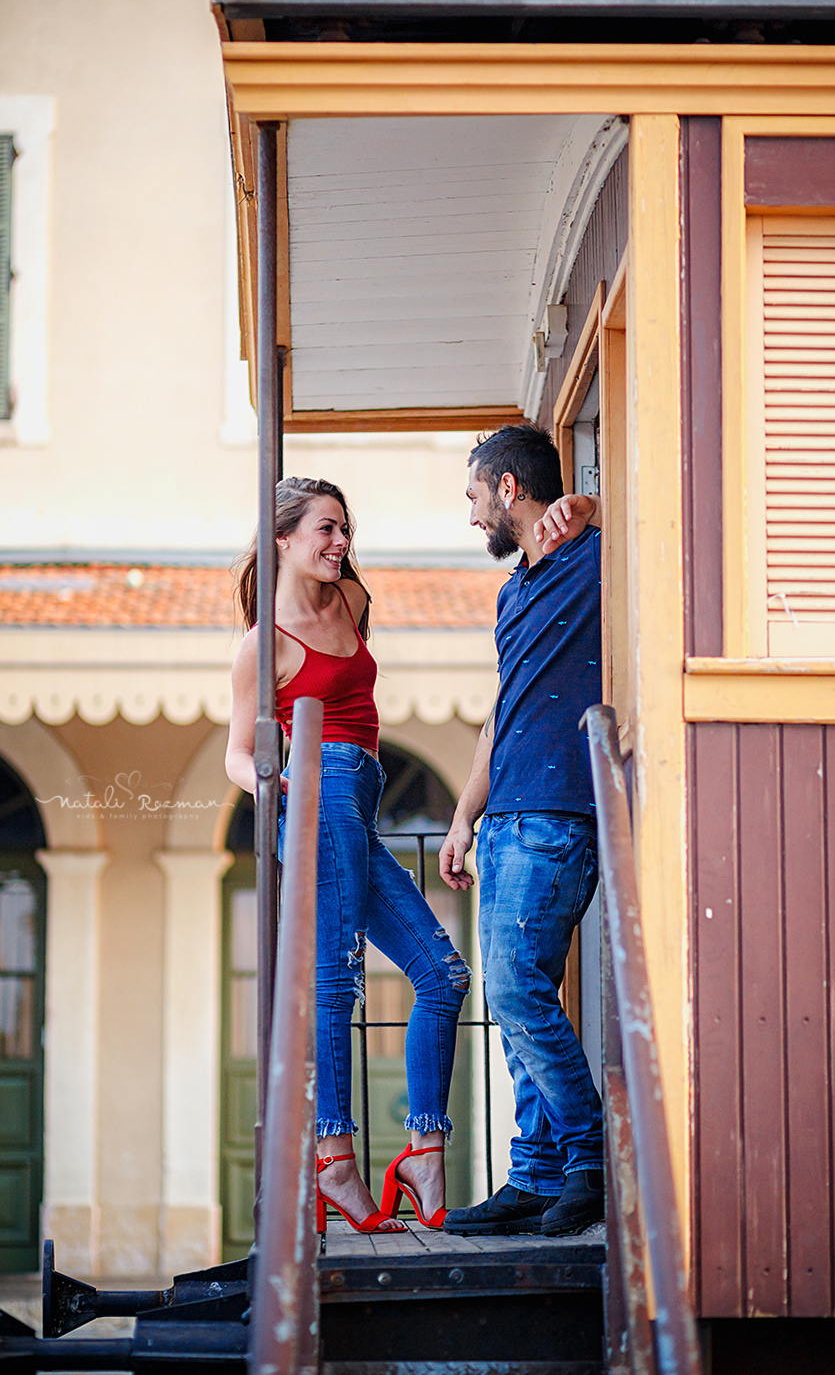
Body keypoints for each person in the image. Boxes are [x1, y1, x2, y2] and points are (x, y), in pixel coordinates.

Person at [226, 477, 470, 1235]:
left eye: (344, 529)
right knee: (337, 979)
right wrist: (282, 790)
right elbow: (237, 755)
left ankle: (423, 1148)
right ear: (284, 538)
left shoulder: (351, 601)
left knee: (442, 973)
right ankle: (334, 1158)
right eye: (325, 529)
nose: (340, 543)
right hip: (316, 791)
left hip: (361, 795)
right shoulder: (261, 647)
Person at [439, 425, 604, 1239]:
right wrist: (463, 817)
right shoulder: (513, 595)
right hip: (503, 817)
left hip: (559, 813)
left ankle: (588, 1155)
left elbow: (648, 523)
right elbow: (500, 715)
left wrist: (589, 503)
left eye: (474, 496)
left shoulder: (595, 560)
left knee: (513, 989)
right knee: (515, 1000)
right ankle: (536, 1177)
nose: (471, 517)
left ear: (509, 488)